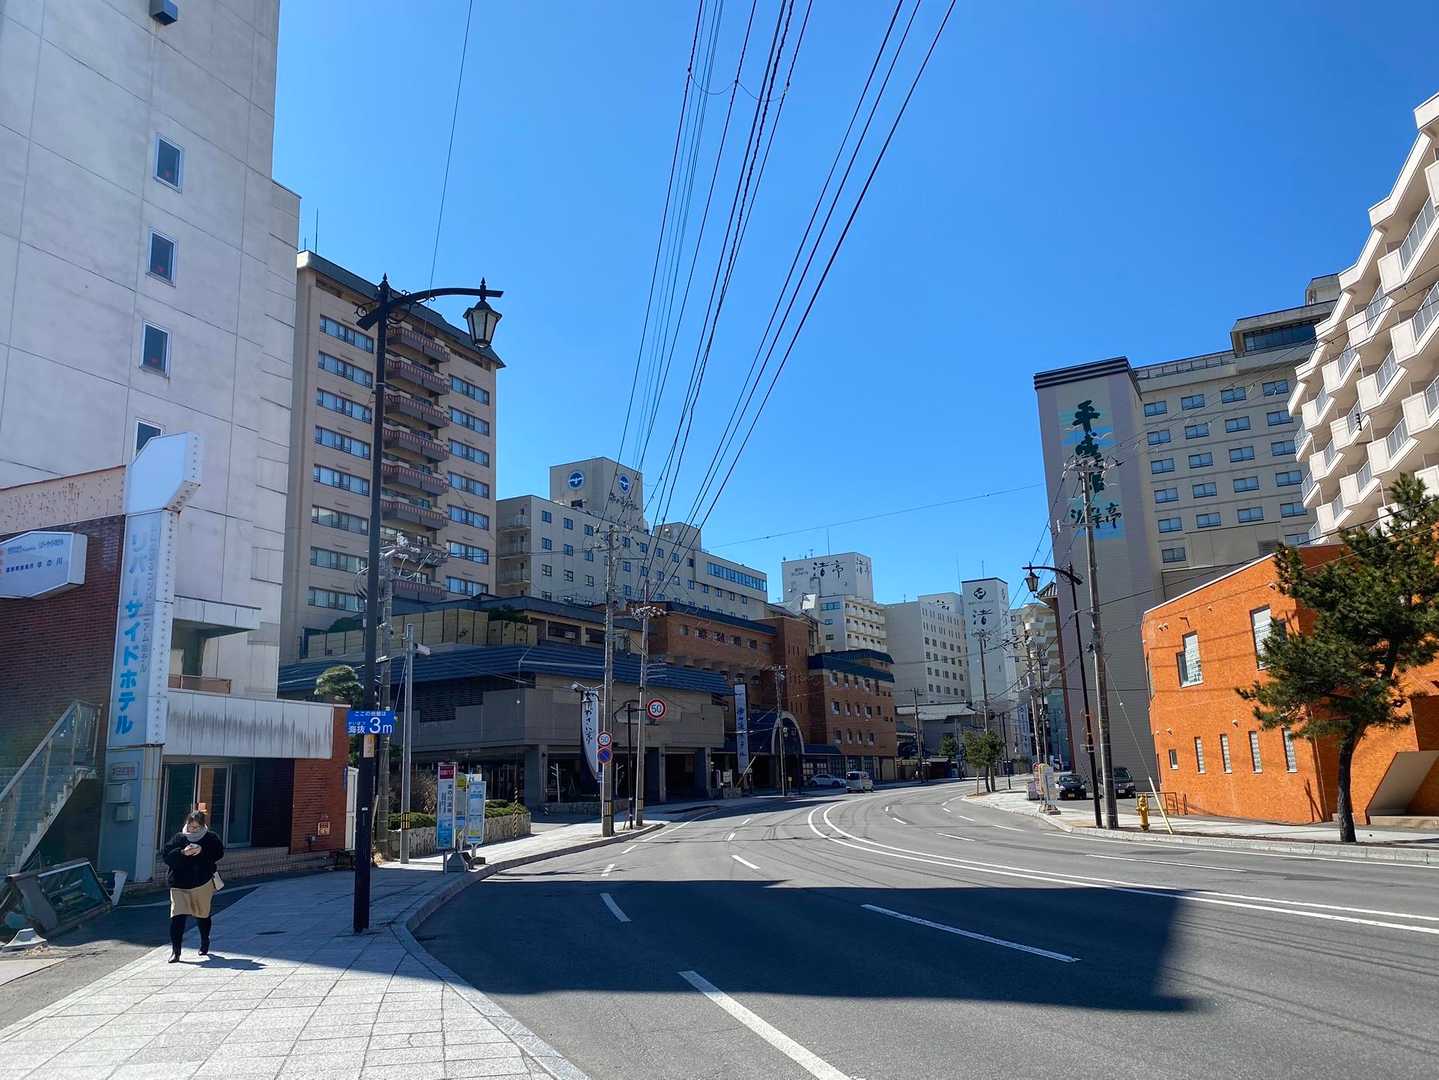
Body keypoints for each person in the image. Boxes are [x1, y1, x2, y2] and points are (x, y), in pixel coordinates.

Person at [161, 810, 224, 962]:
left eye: (196, 827)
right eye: (190, 826)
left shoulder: (210, 838)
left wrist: (202, 850)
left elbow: (218, 854)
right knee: (177, 917)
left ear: (202, 826)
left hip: (202, 883)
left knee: (202, 915)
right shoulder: (179, 838)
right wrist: (182, 852)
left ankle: (204, 941)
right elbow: (166, 856)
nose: (192, 830)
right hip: (179, 884)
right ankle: (176, 951)